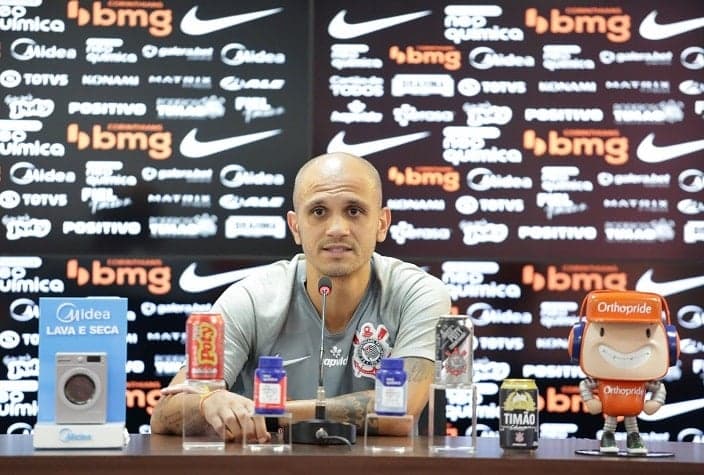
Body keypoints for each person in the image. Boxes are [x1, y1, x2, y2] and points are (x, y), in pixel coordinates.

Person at [150, 152, 451, 442]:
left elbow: (399, 410)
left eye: (354, 211)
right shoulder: (251, 299)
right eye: (318, 212)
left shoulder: (421, 294)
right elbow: (165, 414)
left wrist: (267, 413)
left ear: (382, 223)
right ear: (296, 227)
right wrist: (206, 403)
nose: (337, 229)